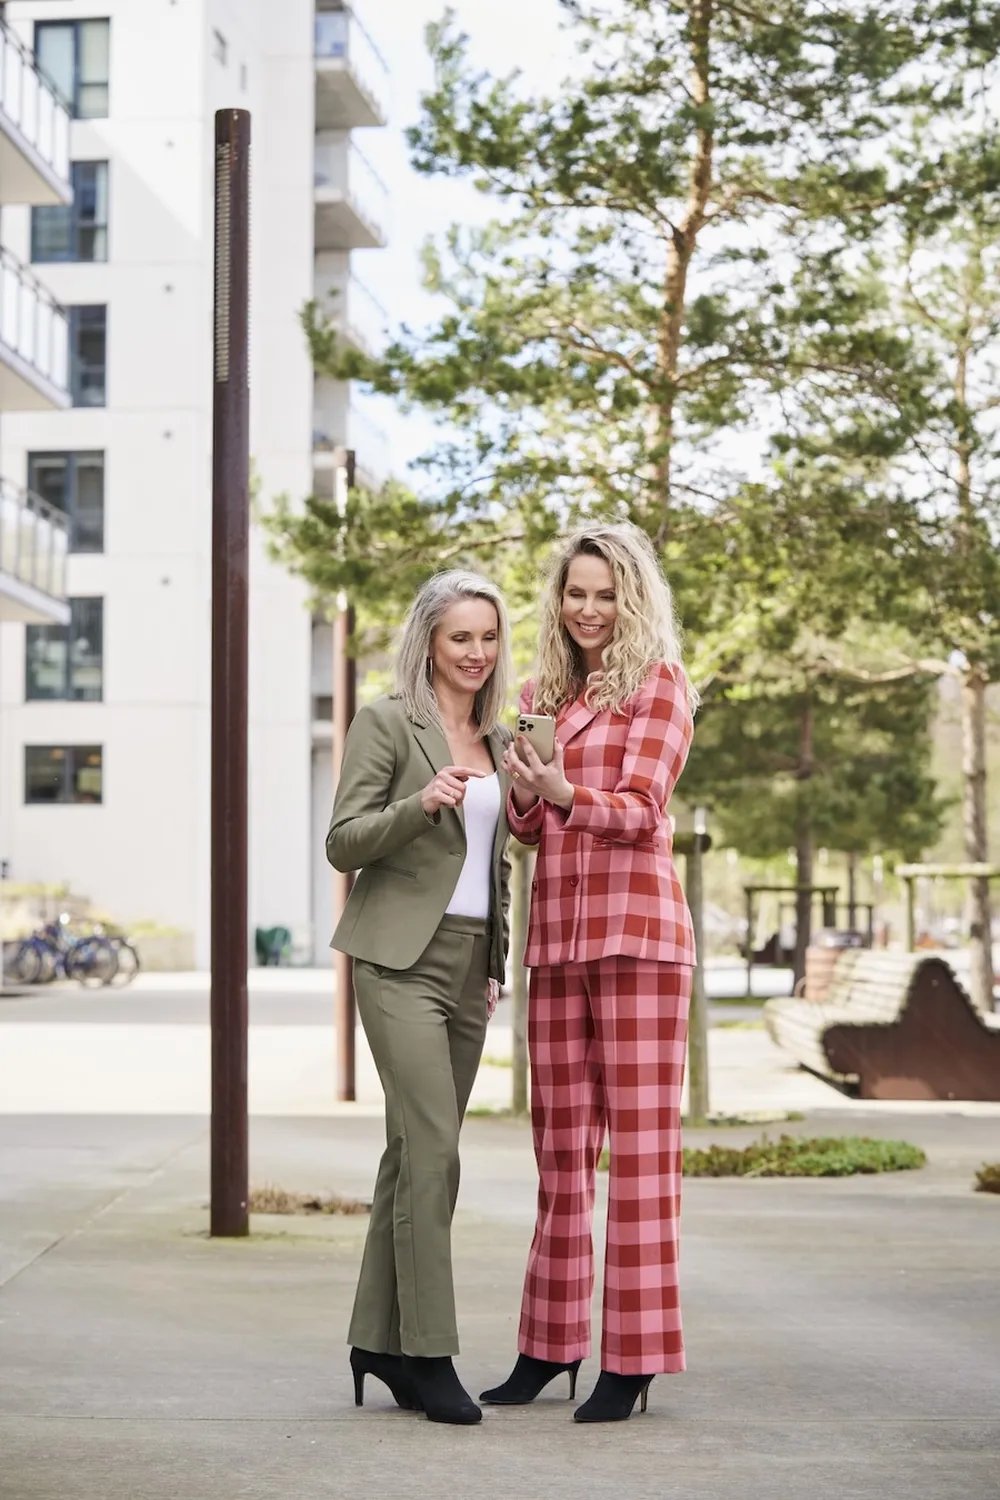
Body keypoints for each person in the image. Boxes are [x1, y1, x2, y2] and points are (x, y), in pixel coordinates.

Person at [481, 522, 699, 1424]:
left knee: (641, 1160)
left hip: (638, 936)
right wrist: (529, 790)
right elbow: (532, 833)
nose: (589, 609)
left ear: (633, 598)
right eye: (576, 593)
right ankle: (548, 1344)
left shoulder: (660, 686)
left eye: (606, 594)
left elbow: (643, 812)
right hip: (558, 942)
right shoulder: (541, 692)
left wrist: (567, 794)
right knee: (558, 1155)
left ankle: (634, 1361)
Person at [326, 571, 513, 1426]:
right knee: (435, 1150)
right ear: (428, 642)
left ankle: (376, 1341)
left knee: (410, 1155)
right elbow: (342, 842)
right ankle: (430, 1352)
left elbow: (495, 865)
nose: (476, 654)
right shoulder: (386, 720)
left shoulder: (505, 742)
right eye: (460, 638)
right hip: (397, 962)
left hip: (471, 966)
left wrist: (498, 956)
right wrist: (418, 802)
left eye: (487, 638)